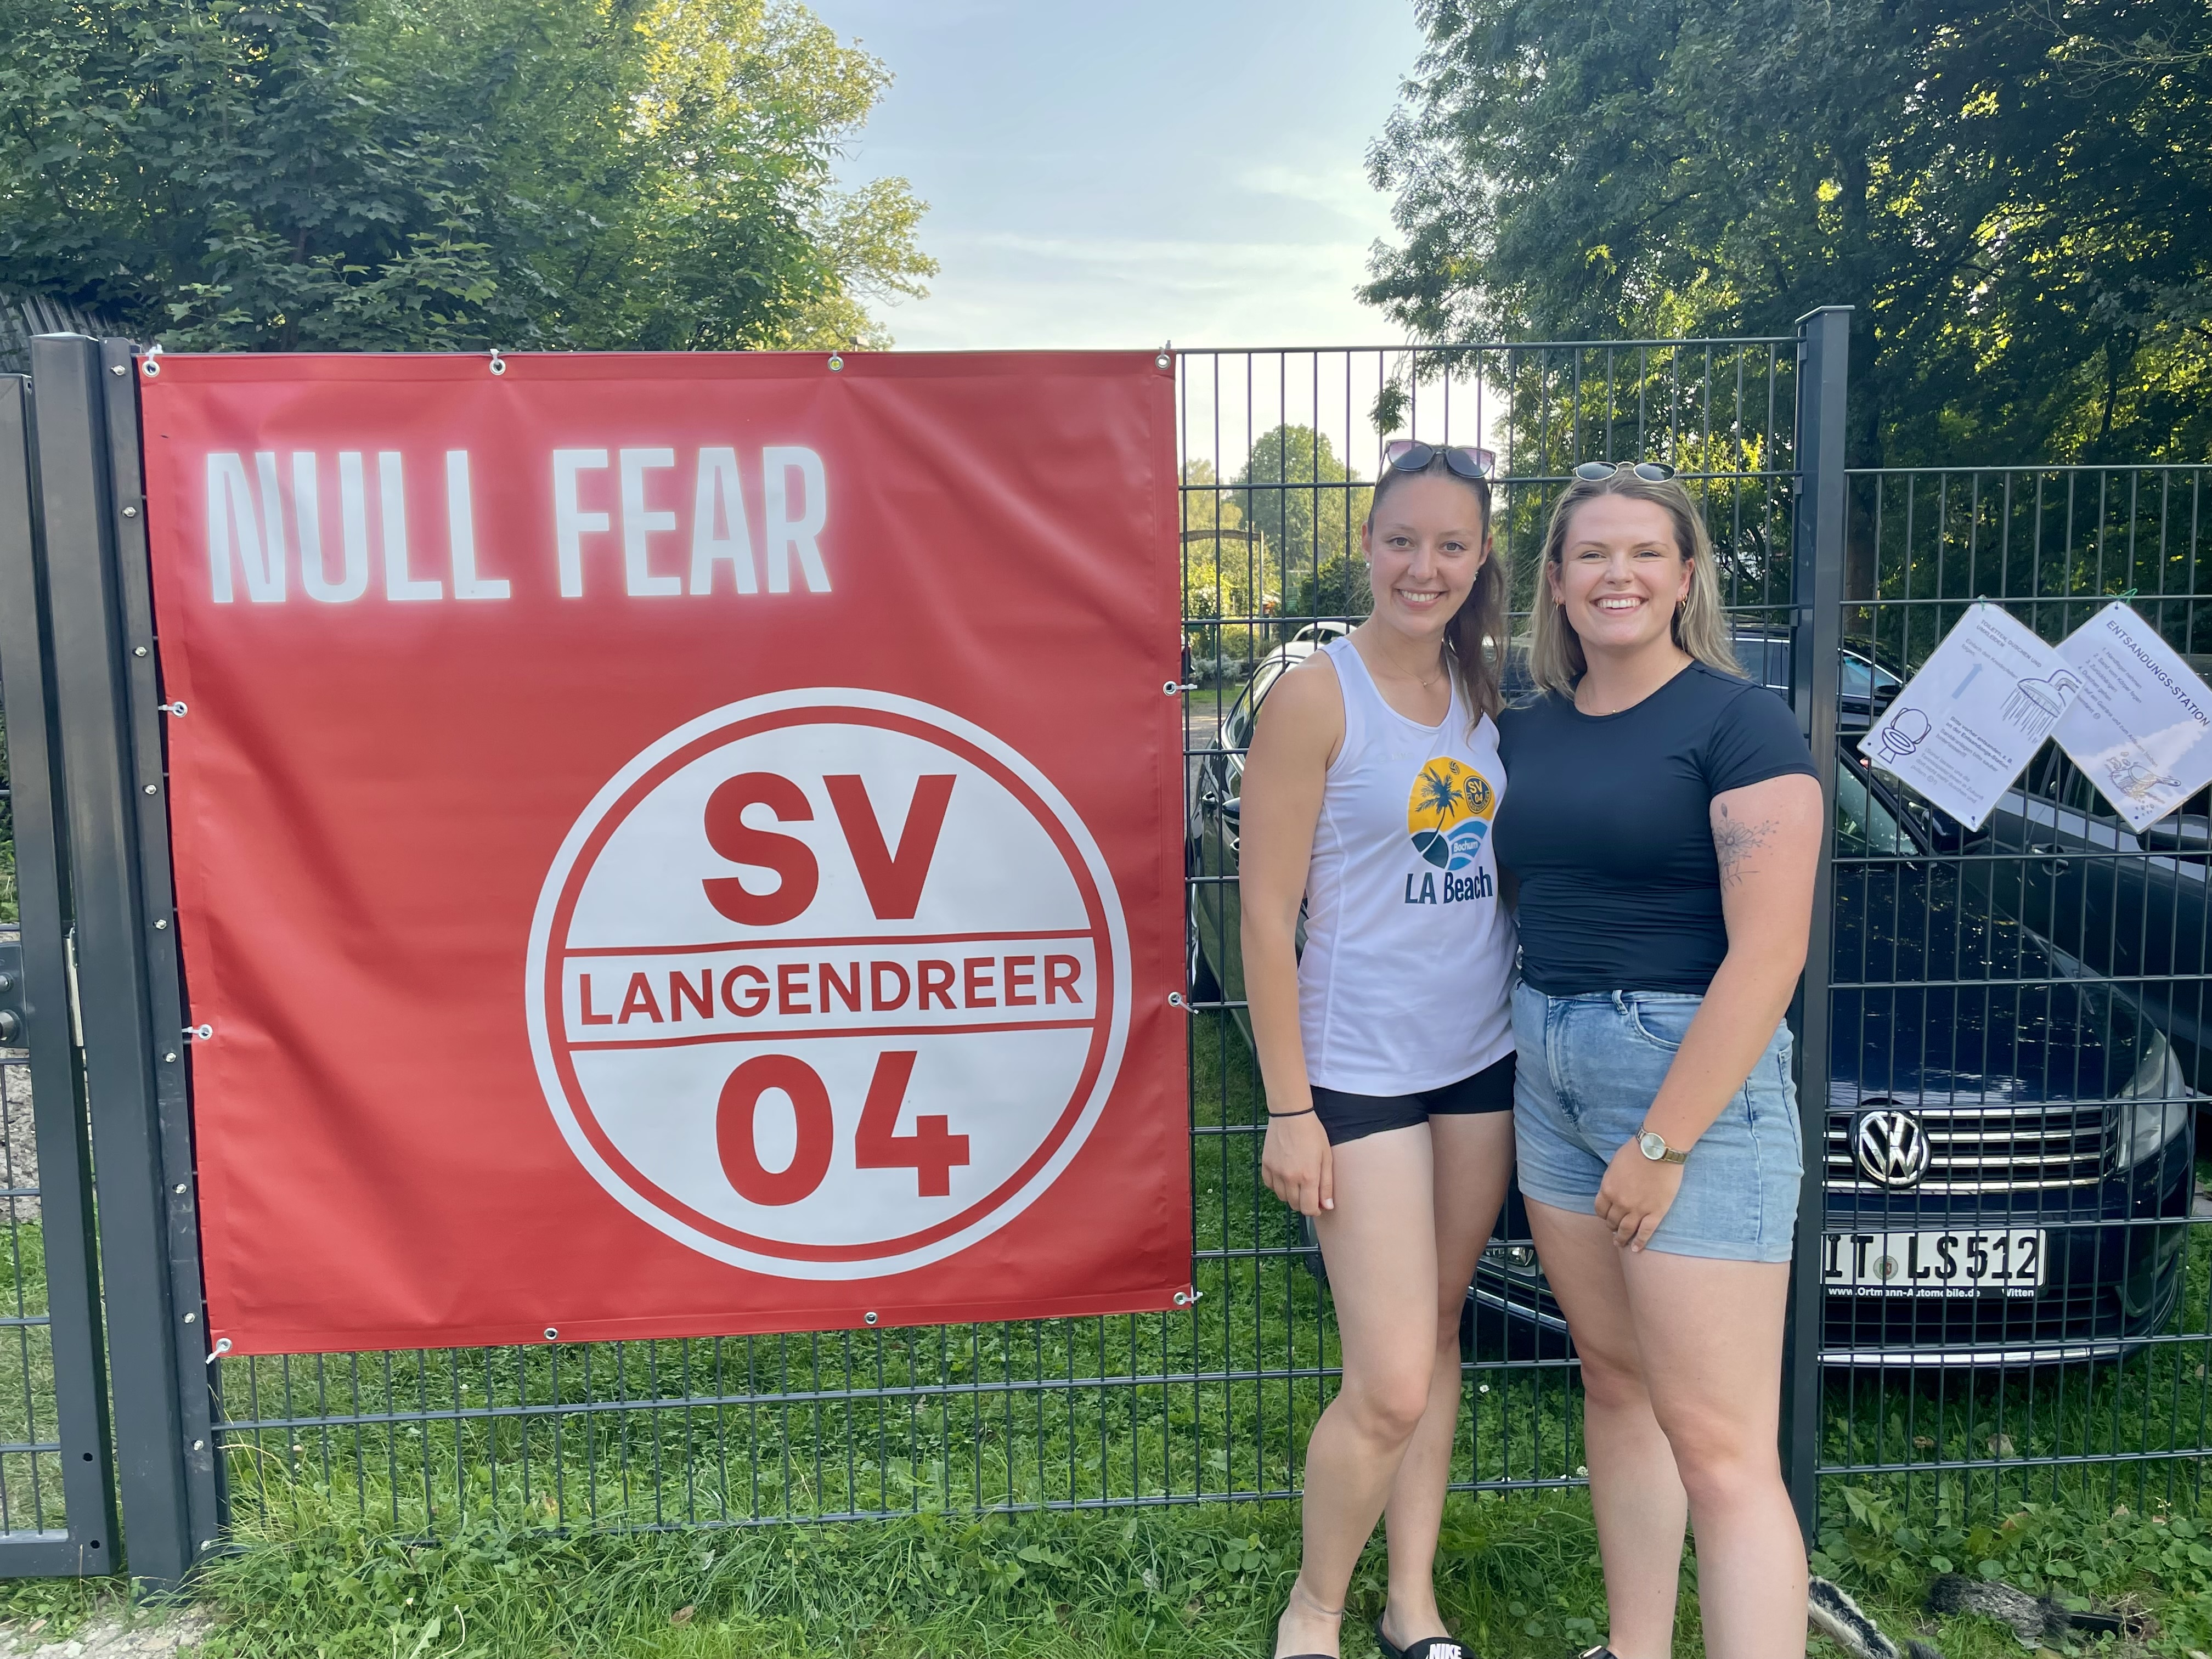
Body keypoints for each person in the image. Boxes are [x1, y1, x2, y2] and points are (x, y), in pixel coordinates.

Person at [1493, 462, 1822, 1659]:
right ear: (1559, 583)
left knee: (1723, 1446)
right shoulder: (1527, 729)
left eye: (1644, 555)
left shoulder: (1742, 722)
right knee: (1615, 1382)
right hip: (1551, 1059)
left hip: (1687, 1080)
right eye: (1592, 556)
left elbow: (1769, 954)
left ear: (1685, 579)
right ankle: (1635, 1649)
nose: (1616, 576)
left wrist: (1665, 1141)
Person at [1239, 440, 1519, 1659]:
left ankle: (1415, 1604)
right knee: (1392, 1375)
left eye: (1452, 544)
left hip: (1480, 1061)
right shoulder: (1316, 694)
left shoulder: (1489, 694)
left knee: (1443, 1330)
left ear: (1482, 556)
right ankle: (1316, 1606)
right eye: (1403, 539)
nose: (1426, 565)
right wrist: (1289, 1107)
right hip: (1358, 1074)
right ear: (1366, 542)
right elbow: (1262, 913)